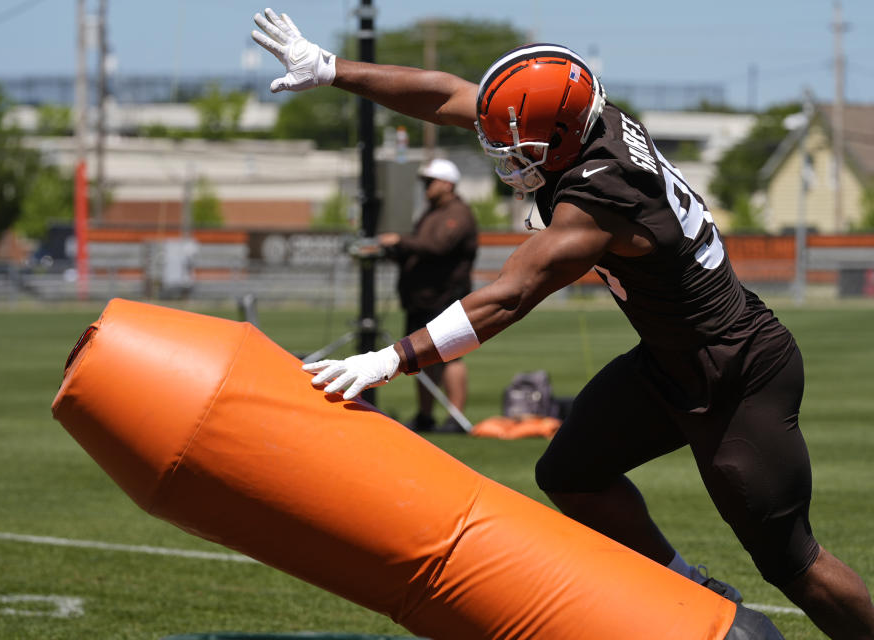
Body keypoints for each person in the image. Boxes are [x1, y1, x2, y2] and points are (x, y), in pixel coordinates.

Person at [251, 9, 874, 638]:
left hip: (737, 375)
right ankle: (688, 586)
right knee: (571, 474)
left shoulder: (601, 196)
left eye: (511, 143)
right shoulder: (580, 118)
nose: (499, 151)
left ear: (558, 138)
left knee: (792, 562)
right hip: (671, 362)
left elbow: (509, 295)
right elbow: (448, 95)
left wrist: (390, 358)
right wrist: (331, 69)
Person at [377, 158, 478, 433]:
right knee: (421, 356)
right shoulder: (432, 212)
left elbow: (437, 246)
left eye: (430, 182)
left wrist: (399, 241)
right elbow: (420, 248)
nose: (426, 187)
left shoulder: (458, 213)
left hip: (444, 297)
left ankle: (456, 418)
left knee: (452, 357)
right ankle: (425, 416)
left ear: (447, 184)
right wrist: (392, 251)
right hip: (421, 298)